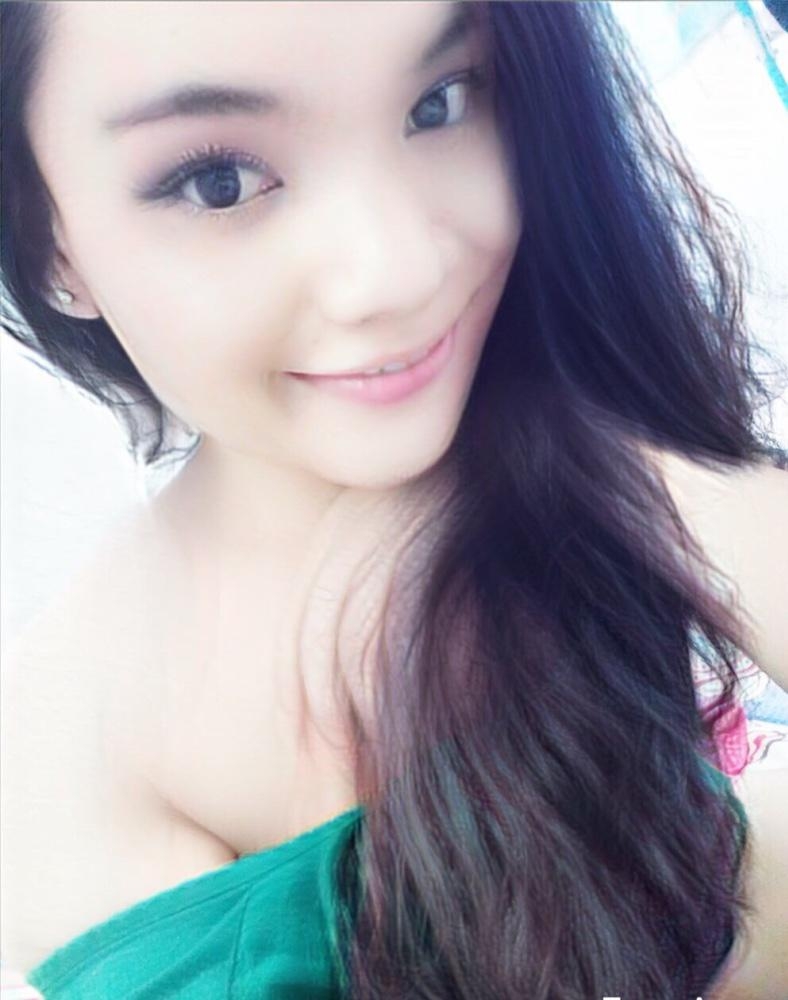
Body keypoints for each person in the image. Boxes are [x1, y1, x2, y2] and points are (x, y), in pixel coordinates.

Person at [1, 1, 787, 997]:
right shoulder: (58, 761)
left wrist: (664, 491)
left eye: (439, 102)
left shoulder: (568, 446)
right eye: (219, 180)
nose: (399, 272)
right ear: (49, 241)